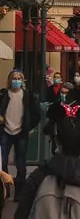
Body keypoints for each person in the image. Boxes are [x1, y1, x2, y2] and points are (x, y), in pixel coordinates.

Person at [0, 70, 41, 198]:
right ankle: (5, 189)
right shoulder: (4, 95)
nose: (16, 81)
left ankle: (19, 192)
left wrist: (28, 127)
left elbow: (36, 114)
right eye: (14, 78)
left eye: (19, 78)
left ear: (22, 81)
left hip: (21, 133)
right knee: (3, 161)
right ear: (9, 80)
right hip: (5, 132)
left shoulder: (28, 96)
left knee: (21, 163)